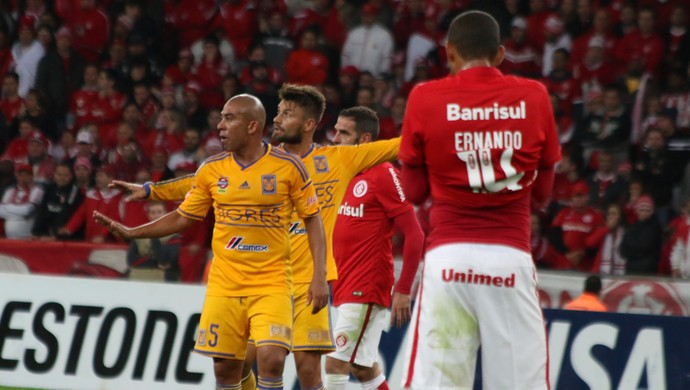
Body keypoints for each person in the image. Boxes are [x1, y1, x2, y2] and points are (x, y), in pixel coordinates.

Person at [109, 85, 401, 390]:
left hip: (304, 285)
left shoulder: (340, 159)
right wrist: (150, 190)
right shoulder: (266, 161)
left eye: (287, 114)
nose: (277, 119)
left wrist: (449, 116)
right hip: (263, 278)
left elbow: (401, 145)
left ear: (309, 124)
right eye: (278, 111)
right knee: (240, 364)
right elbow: (204, 181)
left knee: (307, 369)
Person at [94, 94, 329, 390]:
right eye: (221, 118)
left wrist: (319, 276)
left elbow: (313, 219)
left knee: (271, 359)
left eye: (229, 118)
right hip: (224, 285)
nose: (220, 126)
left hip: (272, 282)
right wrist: (133, 232)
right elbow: (182, 217)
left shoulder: (288, 167)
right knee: (226, 370)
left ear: (253, 126)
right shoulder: (211, 170)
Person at [399, 11, 560, 389]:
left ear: (449, 52)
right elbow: (543, 196)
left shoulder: (424, 97)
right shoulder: (534, 96)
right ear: (501, 53)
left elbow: (415, 192)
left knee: (437, 383)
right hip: (510, 260)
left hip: (448, 262)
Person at [324, 107, 424, 390]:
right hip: (342, 282)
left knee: (335, 362)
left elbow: (415, 235)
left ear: (365, 139)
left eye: (344, 133)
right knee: (363, 368)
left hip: (366, 285)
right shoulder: (341, 172)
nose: (335, 138)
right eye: (336, 131)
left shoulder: (383, 173)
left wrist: (404, 290)